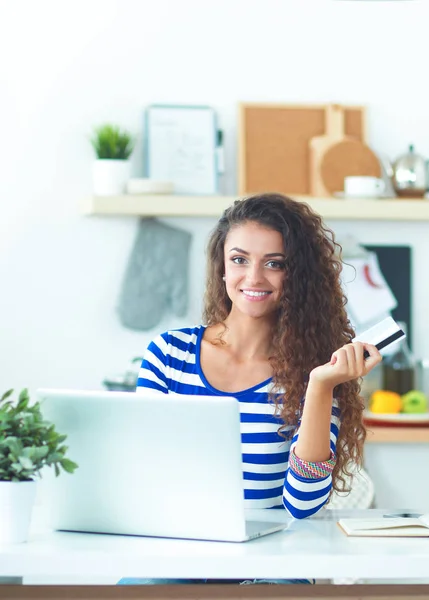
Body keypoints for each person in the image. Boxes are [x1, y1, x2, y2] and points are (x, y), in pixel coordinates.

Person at [124, 193, 381, 585]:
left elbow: (303, 505)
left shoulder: (316, 371)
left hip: (271, 568)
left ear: (297, 275)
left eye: (274, 264)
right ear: (222, 269)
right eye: (239, 260)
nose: (254, 278)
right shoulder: (168, 354)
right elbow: (139, 475)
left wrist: (318, 386)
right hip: (176, 555)